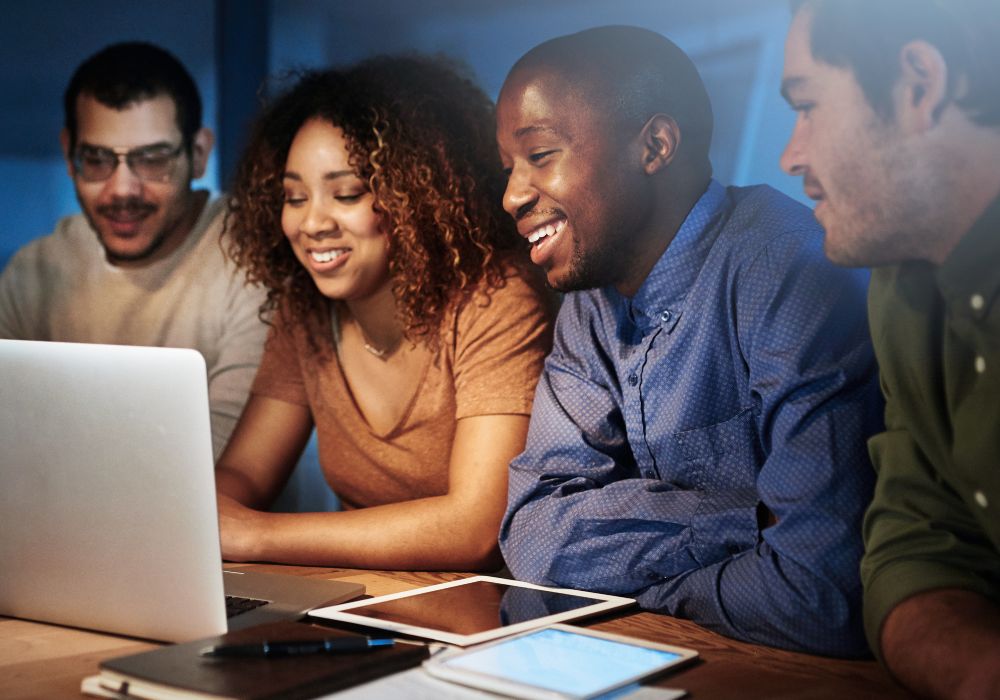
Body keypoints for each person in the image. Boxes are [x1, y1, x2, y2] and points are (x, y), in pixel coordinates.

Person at [496, 25, 883, 657]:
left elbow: (819, 597)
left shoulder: (789, 272)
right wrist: (747, 521)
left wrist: (640, 582)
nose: (511, 195)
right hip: (680, 656)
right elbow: (534, 537)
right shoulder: (586, 308)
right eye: (508, 168)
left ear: (654, 145)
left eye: (539, 156)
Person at [217, 55, 554, 571]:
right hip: (358, 602)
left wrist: (255, 535)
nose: (311, 222)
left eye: (346, 193)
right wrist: (195, 513)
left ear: (419, 197)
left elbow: (477, 526)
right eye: (293, 196)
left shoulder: (495, 300)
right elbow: (243, 474)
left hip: (487, 613)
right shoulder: (305, 312)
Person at [780, 0, 1000, 695]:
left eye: (808, 105)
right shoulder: (903, 286)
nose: (791, 155)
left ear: (918, 85)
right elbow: (916, 540)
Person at [0, 42, 266, 458]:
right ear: (70, 155)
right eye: (98, 159)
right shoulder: (32, 273)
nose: (123, 189)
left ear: (198, 154)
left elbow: (219, 466)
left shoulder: (253, 259)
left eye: (153, 159)